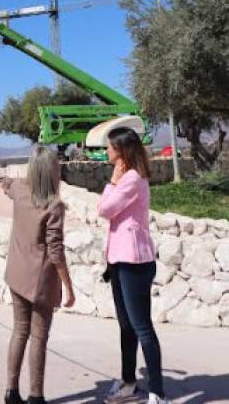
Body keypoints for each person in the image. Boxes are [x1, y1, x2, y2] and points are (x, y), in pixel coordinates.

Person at [98, 127, 171, 404]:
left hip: (134, 261)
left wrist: (112, 182)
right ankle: (129, 383)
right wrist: (112, 183)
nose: (106, 152)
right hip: (118, 260)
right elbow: (105, 209)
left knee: (141, 327)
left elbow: (104, 209)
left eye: (109, 147)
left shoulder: (132, 179)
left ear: (121, 151)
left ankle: (158, 393)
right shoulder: (125, 178)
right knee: (126, 327)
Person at [2, 145, 75, 404]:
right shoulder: (54, 205)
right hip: (40, 281)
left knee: (19, 331)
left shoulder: (20, 191)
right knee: (39, 337)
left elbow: (6, 182)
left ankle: (11, 391)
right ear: (53, 170)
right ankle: (36, 395)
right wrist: (68, 286)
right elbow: (56, 251)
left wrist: (25, 178)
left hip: (16, 274)